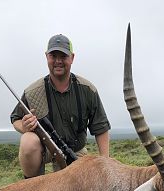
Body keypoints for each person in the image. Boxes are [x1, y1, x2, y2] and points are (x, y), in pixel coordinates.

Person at [10, 34, 111, 178]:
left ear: (72, 58)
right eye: (53, 56)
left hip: (76, 151)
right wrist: (24, 127)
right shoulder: (32, 92)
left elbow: (101, 128)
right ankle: (32, 185)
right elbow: (16, 118)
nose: (58, 61)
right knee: (28, 141)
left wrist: (105, 165)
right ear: (46, 57)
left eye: (63, 56)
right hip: (45, 149)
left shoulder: (87, 89)